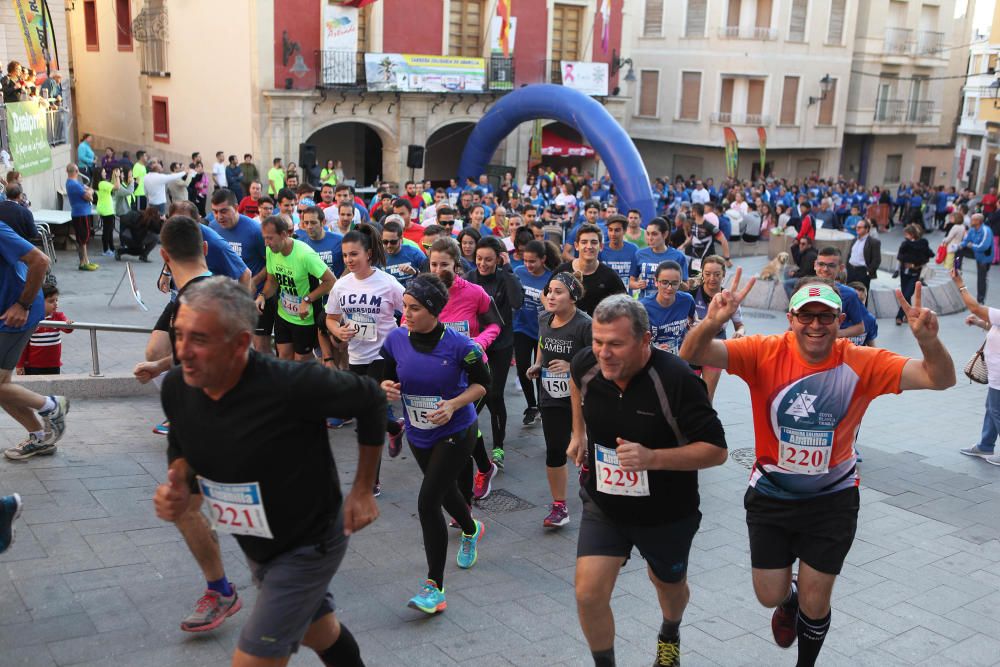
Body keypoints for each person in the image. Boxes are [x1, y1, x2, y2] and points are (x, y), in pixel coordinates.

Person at [680, 273, 955, 667]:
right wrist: (711, 321)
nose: (815, 325)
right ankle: (787, 601)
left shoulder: (862, 361)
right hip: (771, 494)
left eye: (824, 317)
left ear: (840, 320)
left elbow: (940, 379)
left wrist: (928, 340)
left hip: (833, 500)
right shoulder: (762, 351)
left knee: (816, 597)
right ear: (790, 318)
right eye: (805, 316)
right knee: (769, 594)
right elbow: (694, 353)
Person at [154, 277, 382, 667]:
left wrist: (362, 488)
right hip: (258, 544)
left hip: (310, 542)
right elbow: (184, 448)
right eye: (179, 335)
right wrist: (178, 486)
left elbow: (372, 398)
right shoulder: (178, 387)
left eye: (200, 340)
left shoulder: (291, 384)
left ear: (241, 344)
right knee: (318, 631)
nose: (183, 352)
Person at [568, 294, 727, 667]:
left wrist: (653, 458)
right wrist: (579, 433)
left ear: (645, 341)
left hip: (667, 511)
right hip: (604, 502)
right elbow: (577, 382)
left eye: (615, 344)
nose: (603, 353)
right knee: (588, 593)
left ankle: (670, 631)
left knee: (669, 588)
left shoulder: (677, 380)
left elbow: (717, 450)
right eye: (598, 341)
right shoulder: (587, 364)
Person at [133, 217, 245, 632]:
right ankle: (224, 587)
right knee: (189, 506)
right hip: (221, 420)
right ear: (207, 248)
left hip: (214, 421)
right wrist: (162, 363)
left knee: (203, 508)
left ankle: (228, 588)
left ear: (164, 255)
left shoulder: (192, 301)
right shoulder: (217, 291)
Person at [379, 273, 489, 614]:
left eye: (413, 309)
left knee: (428, 502)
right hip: (418, 431)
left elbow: (483, 385)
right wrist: (387, 386)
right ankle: (471, 528)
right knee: (443, 493)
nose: (405, 314)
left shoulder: (461, 347)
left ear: (434, 311)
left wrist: (454, 404)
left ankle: (434, 588)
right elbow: (384, 373)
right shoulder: (396, 339)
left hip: (456, 429)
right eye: (404, 307)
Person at [417, 237, 501, 503]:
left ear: (457, 265)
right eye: (434, 264)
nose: (438, 270)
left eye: (445, 264)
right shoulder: (424, 293)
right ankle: (485, 468)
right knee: (463, 428)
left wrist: (478, 343)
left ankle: (463, 503)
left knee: (459, 429)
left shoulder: (474, 292)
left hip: (474, 374)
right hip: (442, 374)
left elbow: (495, 325)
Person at [325, 222, 405, 488]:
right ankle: (394, 428)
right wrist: (339, 332)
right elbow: (331, 318)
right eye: (345, 255)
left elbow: (408, 308)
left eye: (354, 254)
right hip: (357, 356)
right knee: (368, 413)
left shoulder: (387, 283)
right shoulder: (341, 285)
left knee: (367, 418)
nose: (349, 260)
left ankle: (372, 480)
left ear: (368, 254)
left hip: (383, 355)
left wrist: (404, 335)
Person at [526, 272, 592, 529]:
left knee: (583, 445)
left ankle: (587, 466)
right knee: (555, 448)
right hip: (551, 394)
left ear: (572, 297)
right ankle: (559, 506)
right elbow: (543, 341)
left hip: (583, 397)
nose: (551, 296)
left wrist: (571, 364)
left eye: (558, 292)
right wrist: (539, 364)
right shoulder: (544, 317)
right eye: (549, 291)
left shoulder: (584, 324)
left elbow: (597, 360)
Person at [0, 222, 70, 460]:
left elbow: (40, 260)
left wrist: (23, 304)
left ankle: (52, 406)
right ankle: (40, 438)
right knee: (2, 388)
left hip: (16, 316)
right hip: (7, 314)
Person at [465, 236, 523, 469]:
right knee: (473, 395)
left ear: (498, 259)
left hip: (500, 345)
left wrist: (508, 268)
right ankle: (467, 436)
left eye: (489, 259)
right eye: (479, 258)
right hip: (476, 345)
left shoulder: (505, 277)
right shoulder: (469, 278)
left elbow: (517, 302)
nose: (483, 264)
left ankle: (497, 446)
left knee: (494, 395)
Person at [256, 216, 335, 362]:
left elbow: (331, 281)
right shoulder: (271, 251)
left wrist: (307, 299)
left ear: (284, 234)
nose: (266, 243)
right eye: (264, 238)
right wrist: (262, 295)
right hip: (283, 314)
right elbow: (272, 281)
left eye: (270, 238)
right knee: (284, 357)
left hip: (305, 319)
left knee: (301, 361)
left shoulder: (305, 255)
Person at [513, 240, 557, 428]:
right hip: (521, 328)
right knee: (523, 367)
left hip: (543, 331)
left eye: (533, 261)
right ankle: (531, 405)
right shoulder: (519, 272)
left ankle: (542, 404)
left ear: (543, 259)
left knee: (541, 370)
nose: (528, 265)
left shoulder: (551, 277)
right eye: (526, 261)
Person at [689, 256, 745, 401]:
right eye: (707, 274)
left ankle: (705, 423)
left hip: (715, 346)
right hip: (692, 346)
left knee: (706, 396)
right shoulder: (691, 294)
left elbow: (740, 326)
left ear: (724, 275)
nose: (712, 278)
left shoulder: (730, 298)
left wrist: (739, 333)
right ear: (702, 273)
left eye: (717, 274)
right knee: (688, 395)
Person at [556, 224, 626, 316]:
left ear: (601, 246)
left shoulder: (610, 276)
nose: (589, 246)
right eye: (584, 242)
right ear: (576, 246)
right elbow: (545, 295)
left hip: (598, 329)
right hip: (566, 328)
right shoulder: (563, 271)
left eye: (594, 242)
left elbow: (625, 305)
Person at [15, 284, 72, 376]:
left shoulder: (58, 316)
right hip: (33, 366)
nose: (56, 303)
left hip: (53, 365)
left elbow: (67, 330)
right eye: (51, 301)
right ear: (39, 302)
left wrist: (68, 324)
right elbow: (23, 345)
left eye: (57, 300)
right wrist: (20, 364)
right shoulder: (32, 319)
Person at [640, 261, 695, 356]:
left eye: (674, 283)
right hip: (653, 358)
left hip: (681, 357)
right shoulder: (643, 307)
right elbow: (635, 341)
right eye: (664, 282)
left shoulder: (687, 300)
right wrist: (653, 349)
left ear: (680, 283)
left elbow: (691, 321)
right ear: (656, 282)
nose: (669, 288)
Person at [629, 218, 688, 299]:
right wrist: (637, 284)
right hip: (646, 303)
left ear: (665, 234)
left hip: (669, 304)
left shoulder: (678, 256)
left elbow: (686, 287)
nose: (650, 238)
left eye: (654, 234)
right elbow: (631, 281)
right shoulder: (640, 254)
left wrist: (675, 282)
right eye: (648, 234)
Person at [896, 224, 934, 326]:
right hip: (904, 272)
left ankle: (899, 316)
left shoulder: (922, 244)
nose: (905, 236)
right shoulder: (905, 244)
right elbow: (900, 257)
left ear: (912, 234)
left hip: (915, 272)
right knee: (905, 295)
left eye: (907, 234)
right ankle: (910, 315)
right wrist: (896, 270)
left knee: (907, 295)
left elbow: (927, 256)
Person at [959, 213, 993, 305]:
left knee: (981, 277)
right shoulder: (972, 230)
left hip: (984, 257)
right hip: (975, 252)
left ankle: (980, 299)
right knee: (959, 250)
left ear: (978, 221)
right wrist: (960, 245)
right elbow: (966, 241)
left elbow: (984, 246)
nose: (971, 221)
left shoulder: (986, 230)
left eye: (973, 219)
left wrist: (972, 245)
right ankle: (957, 269)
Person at [599, 215, 639, 287]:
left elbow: (634, 278)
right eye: (610, 230)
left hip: (626, 296)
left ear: (624, 231)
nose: (613, 234)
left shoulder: (633, 250)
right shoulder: (600, 249)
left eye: (617, 230)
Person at [844, 219, 881, 292]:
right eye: (857, 227)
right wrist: (847, 266)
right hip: (851, 271)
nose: (857, 229)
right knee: (848, 294)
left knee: (861, 296)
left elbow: (877, 260)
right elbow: (850, 255)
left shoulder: (873, 242)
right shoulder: (854, 240)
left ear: (867, 229)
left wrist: (868, 272)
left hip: (863, 272)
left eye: (860, 227)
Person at [95, 168, 118, 257]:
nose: (105, 173)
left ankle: (111, 248)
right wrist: (117, 176)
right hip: (107, 210)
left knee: (109, 230)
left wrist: (114, 177)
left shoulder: (101, 183)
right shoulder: (102, 183)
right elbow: (117, 187)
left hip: (105, 208)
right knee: (107, 231)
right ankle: (106, 249)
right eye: (103, 172)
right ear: (99, 174)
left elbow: (111, 185)